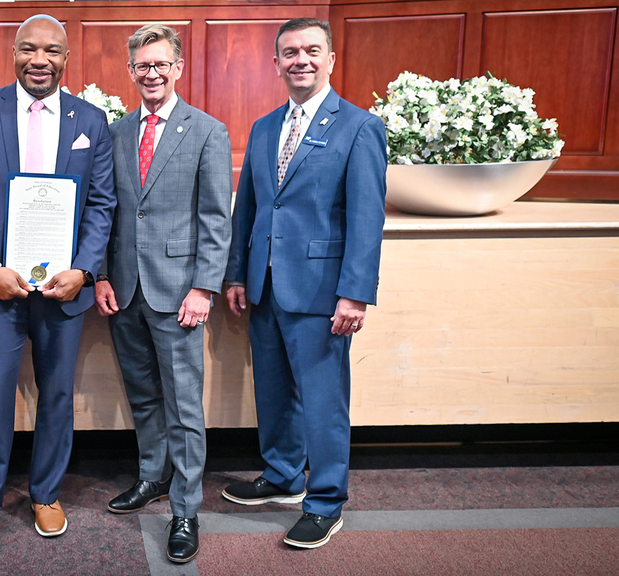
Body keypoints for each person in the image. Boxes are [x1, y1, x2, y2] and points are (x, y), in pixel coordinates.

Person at [0, 14, 115, 554]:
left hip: (63, 288)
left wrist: (85, 271)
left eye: (51, 51)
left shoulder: (91, 118)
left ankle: (45, 493)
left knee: (58, 395)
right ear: (13, 53)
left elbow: (102, 204)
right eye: (27, 49)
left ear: (67, 58)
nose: (38, 60)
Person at [222, 18, 387, 549]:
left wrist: (355, 293)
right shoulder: (266, 126)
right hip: (265, 284)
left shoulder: (360, 127)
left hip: (321, 290)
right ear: (276, 63)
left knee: (322, 400)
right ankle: (284, 476)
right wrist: (236, 274)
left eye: (312, 51)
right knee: (272, 392)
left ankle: (326, 500)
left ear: (332, 59)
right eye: (290, 52)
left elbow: (367, 218)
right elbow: (246, 206)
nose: (301, 60)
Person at [94, 24, 231, 564]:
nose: (151, 74)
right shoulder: (117, 131)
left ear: (178, 68)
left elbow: (217, 218)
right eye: (141, 66)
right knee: (144, 394)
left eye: (160, 65)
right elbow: (104, 213)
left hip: (180, 293)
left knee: (183, 403)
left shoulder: (207, 130)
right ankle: (152, 477)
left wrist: (204, 287)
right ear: (130, 73)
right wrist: (102, 275)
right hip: (125, 289)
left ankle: (185, 507)